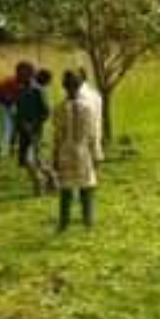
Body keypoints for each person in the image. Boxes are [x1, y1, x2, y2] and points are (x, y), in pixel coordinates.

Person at [52, 68, 103, 231]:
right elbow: (93, 134)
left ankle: (63, 222)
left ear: (64, 87)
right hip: (83, 151)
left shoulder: (59, 108)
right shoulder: (87, 108)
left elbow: (56, 135)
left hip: (65, 151)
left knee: (65, 188)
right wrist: (97, 155)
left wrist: (54, 156)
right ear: (80, 85)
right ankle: (88, 221)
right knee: (86, 186)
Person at [0, 59, 33, 163]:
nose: (30, 75)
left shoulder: (23, 82)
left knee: (14, 126)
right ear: (19, 72)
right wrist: (11, 107)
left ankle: (11, 149)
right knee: (6, 127)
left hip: (8, 103)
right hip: (0, 102)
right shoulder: (12, 82)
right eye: (28, 72)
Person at [15, 67, 54, 190]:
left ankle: (39, 182)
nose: (19, 76)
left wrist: (34, 124)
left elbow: (46, 112)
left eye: (22, 74)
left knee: (29, 159)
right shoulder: (20, 90)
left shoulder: (38, 91)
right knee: (32, 160)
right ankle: (50, 178)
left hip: (35, 131)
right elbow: (19, 111)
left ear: (31, 75)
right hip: (23, 131)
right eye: (18, 74)